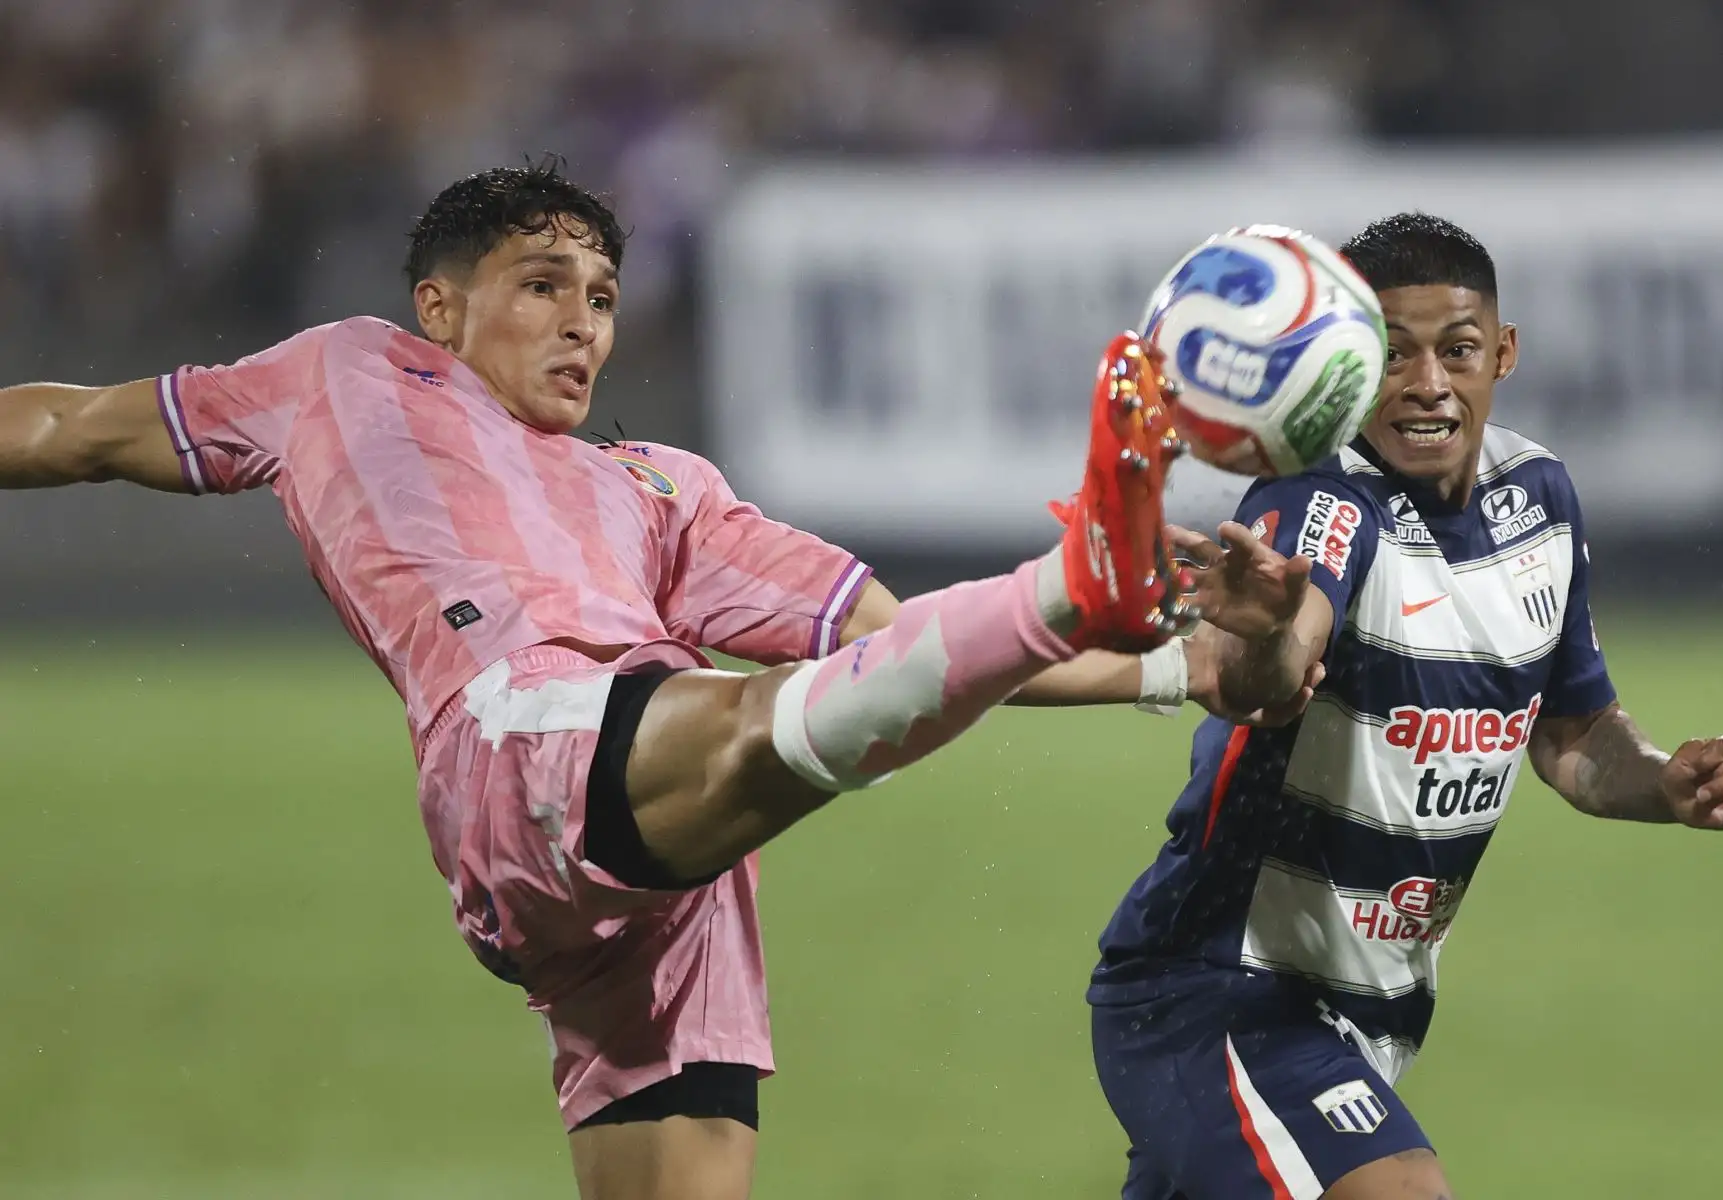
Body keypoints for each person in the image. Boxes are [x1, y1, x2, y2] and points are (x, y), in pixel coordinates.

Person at [0, 159, 1322, 1199]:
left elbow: (892, 643)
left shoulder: (662, 489)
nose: (583, 322)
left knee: (795, 721)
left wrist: (1191, 666)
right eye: (543, 285)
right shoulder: (340, 375)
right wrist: (1071, 606)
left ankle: (1073, 594)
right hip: (520, 746)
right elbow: (74, 427)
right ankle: (1062, 584)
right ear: (441, 305)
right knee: (752, 724)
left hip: (664, 878)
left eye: (602, 299)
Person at [1085, 212, 1723, 1200]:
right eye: (1394, 355)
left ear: (1504, 353)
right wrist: (1271, 633)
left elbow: (1574, 736)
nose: (1428, 384)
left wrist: (1665, 780)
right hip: (1219, 991)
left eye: (1455, 351)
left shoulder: (1539, 497)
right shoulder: (1321, 499)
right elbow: (1277, 676)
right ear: (1352, 367)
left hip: (1370, 1013)